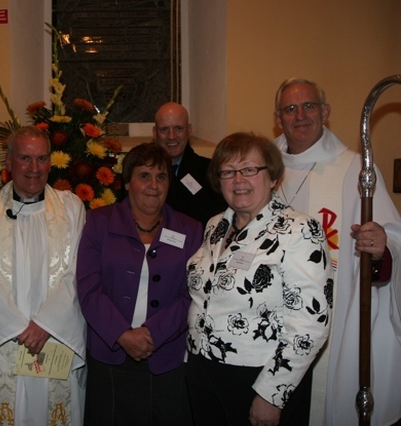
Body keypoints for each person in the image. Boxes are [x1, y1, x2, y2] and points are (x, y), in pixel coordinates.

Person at [274, 77, 401, 426]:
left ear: (325, 112)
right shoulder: (262, 169)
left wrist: (380, 250)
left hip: (330, 317)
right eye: (290, 108)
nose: (300, 115)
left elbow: (392, 241)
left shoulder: (356, 170)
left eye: (309, 106)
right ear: (278, 117)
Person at [186, 132, 332, 425]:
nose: (238, 180)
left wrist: (272, 394)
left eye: (250, 169)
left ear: (273, 177)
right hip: (203, 369)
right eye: (228, 172)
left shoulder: (299, 230)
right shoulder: (216, 225)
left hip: (258, 376)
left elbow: (311, 324)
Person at [0, 126, 87, 426]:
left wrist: (46, 324)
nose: (34, 168)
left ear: (51, 162)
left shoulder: (71, 207)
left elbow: (77, 272)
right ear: (9, 163)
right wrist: (17, 327)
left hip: (54, 337)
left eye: (41, 158)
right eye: (25, 158)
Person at [76, 142, 202, 425]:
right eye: (144, 176)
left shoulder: (190, 229)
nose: (154, 185)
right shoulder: (99, 222)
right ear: (127, 182)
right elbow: (88, 286)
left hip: (166, 359)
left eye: (161, 176)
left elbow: (191, 293)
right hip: (110, 356)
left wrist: (153, 333)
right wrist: (122, 333)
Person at [153, 102, 227, 227]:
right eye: (164, 129)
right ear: (155, 133)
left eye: (178, 128)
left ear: (189, 130)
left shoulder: (211, 172)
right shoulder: (141, 173)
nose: (171, 136)